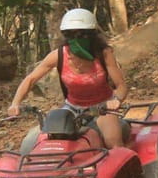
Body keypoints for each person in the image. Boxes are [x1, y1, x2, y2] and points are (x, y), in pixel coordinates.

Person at [7, 8, 128, 149]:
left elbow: (121, 86)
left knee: (113, 142)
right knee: (35, 142)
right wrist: (15, 103)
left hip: (102, 107)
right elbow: (30, 79)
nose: (76, 39)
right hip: (71, 108)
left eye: (82, 34)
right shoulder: (59, 55)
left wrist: (116, 100)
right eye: (70, 34)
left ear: (91, 35)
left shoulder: (104, 54)